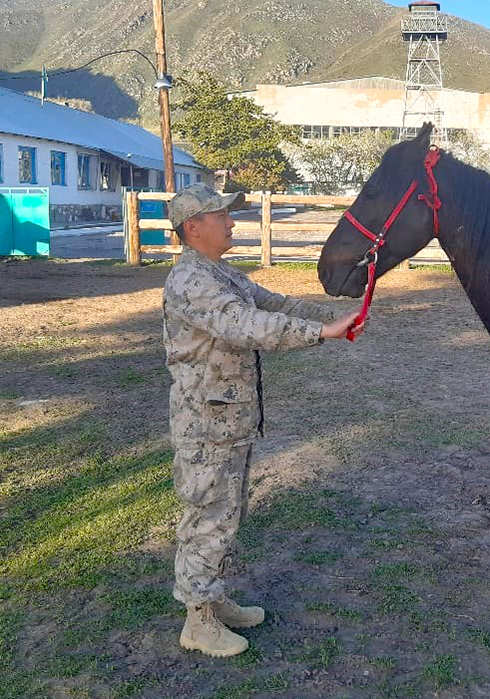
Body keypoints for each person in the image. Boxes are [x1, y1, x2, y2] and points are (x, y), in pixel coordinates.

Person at [162, 183, 361, 657]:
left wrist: (330, 316)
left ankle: (213, 598)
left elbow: (272, 304)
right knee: (209, 515)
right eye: (222, 216)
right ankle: (198, 620)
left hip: (228, 419)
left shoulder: (220, 273)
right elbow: (246, 325)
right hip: (205, 425)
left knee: (227, 513)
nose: (232, 223)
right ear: (194, 228)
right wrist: (320, 333)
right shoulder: (191, 282)